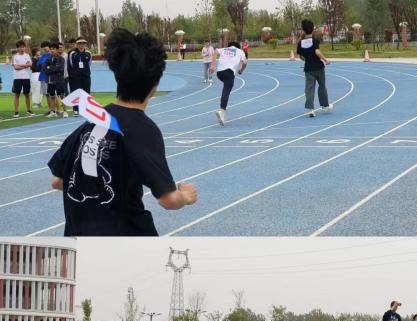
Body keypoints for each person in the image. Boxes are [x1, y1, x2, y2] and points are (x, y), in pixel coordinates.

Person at [49, 29, 198, 236]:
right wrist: (185, 196)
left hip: (79, 240)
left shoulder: (89, 125)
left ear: (117, 76)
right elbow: (169, 200)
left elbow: (57, 181)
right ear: (156, 83)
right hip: (127, 240)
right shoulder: (143, 129)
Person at [297, 19, 331, 117]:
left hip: (308, 69)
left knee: (309, 89)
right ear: (312, 29)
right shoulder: (314, 41)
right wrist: (325, 60)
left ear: (303, 30)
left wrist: (308, 59)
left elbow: (301, 57)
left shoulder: (300, 43)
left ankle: (311, 110)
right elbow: (317, 52)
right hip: (319, 67)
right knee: (322, 86)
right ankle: (325, 106)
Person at [215, 40, 247, 125]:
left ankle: (222, 110)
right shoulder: (240, 51)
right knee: (226, 90)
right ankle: (222, 111)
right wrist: (241, 70)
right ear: (238, 47)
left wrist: (212, 65)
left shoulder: (224, 49)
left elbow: (215, 51)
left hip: (219, 73)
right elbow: (245, 62)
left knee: (226, 87)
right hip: (229, 72)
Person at [12, 41, 34, 118]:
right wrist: (25, 65)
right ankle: (16, 112)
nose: (22, 48)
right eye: (20, 47)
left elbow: (30, 64)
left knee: (27, 94)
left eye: (23, 47)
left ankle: (28, 110)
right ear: (17, 48)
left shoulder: (27, 56)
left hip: (26, 77)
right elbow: (16, 67)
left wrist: (20, 65)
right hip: (17, 78)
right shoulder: (15, 56)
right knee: (17, 95)